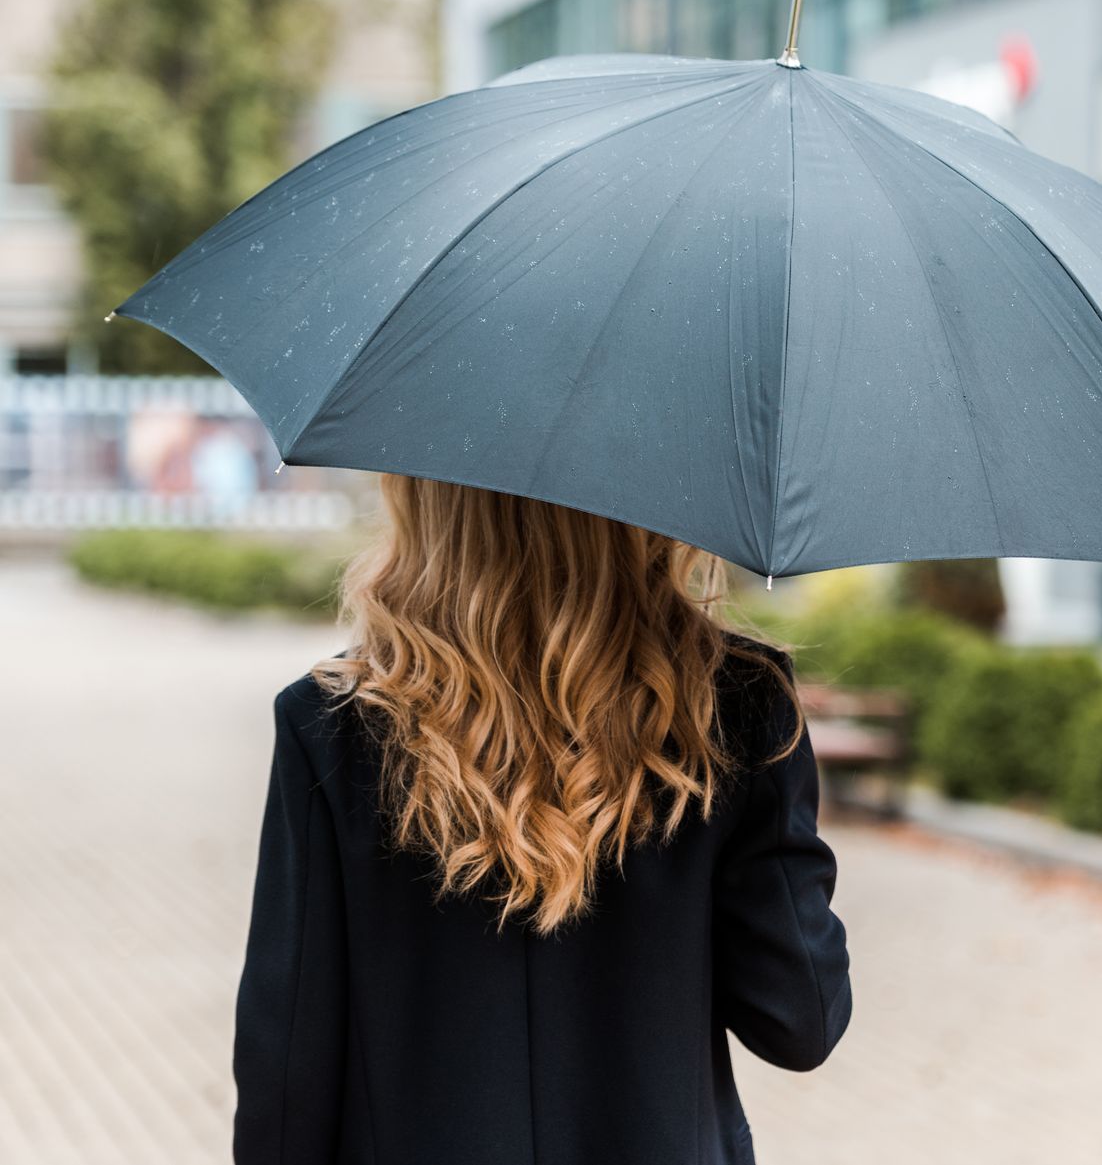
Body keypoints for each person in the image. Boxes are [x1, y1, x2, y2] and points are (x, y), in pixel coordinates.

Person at [233, 474, 851, 1164]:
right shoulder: (737, 707)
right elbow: (802, 1020)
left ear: (421, 490)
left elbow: (286, 1069)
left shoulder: (332, 726)